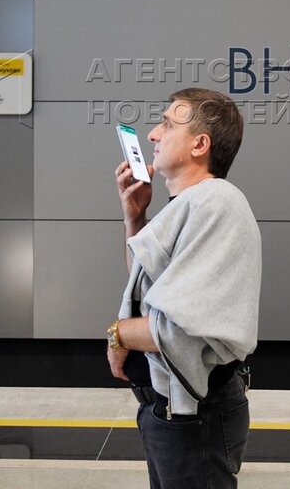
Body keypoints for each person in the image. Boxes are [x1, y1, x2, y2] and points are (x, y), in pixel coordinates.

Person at [109, 87, 261, 489]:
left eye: (167, 123)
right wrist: (135, 217)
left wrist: (119, 333)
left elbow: (181, 327)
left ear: (199, 144)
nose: (153, 134)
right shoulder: (190, 205)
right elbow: (148, 284)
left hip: (196, 416)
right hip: (174, 410)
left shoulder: (215, 202)